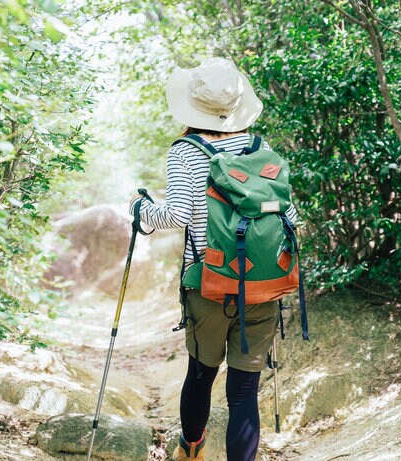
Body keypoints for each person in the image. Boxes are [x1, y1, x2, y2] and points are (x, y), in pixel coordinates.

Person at [129, 57, 298, 461]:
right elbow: (291, 216)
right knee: (243, 391)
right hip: (263, 283)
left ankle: (191, 451)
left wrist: (140, 210)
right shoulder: (262, 148)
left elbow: (178, 214)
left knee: (201, 375)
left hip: (209, 282)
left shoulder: (186, 151)